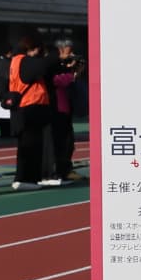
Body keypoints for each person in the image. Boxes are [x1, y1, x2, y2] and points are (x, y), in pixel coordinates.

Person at [6, 32, 57, 189]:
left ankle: (25, 178)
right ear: (33, 48)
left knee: (26, 146)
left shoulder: (15, 61)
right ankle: (26, 179)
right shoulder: (26, 62)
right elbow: (45, 66)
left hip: (22, 106)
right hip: (31, 106)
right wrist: (55, 55)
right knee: (31, 145)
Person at [49, 41, 84, 183]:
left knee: (68, 141)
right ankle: (58, 171)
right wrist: (72, 75)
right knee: (60, 141)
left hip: (66, 106)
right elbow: (56, 80)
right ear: (60, 50)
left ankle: (66, 169)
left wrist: (75, 69)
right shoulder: (51, 64)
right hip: (56, 107)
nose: (71, 55)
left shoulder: (63, 65)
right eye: (69, 52)